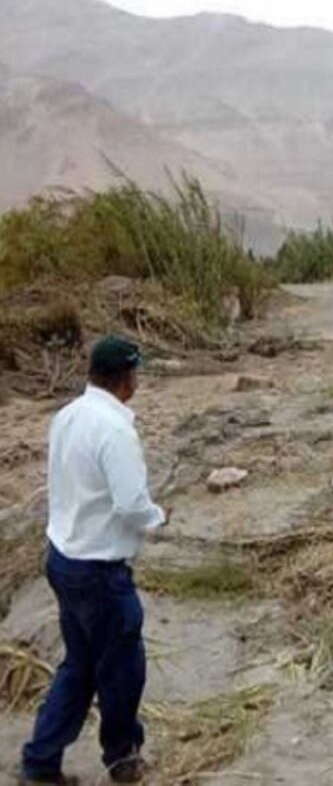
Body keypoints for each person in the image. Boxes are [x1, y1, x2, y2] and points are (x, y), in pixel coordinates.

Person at [20, 336, 166, 786]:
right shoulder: (115, 430)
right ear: (127, 378)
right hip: (99, 571)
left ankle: (41, 762)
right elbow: (129, 503)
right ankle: (122, 757)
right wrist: (158, 517)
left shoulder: (68, 416)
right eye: (136, 374)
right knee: (122, 670)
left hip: (64, 558)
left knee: (79, 666)